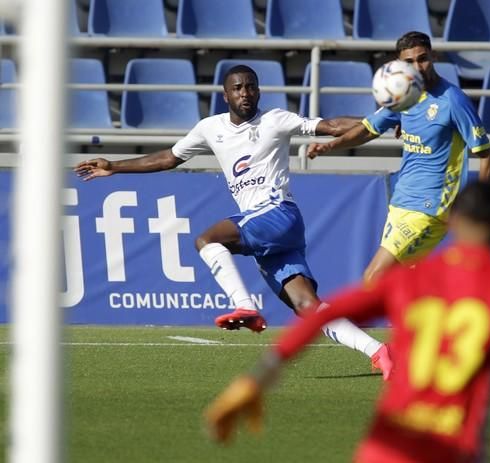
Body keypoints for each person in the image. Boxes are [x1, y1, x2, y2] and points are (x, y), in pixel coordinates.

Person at [205, 182, 490, 463]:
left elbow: (322, 315)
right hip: (452, 447)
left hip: (386, 446)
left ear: (453, 222)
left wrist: (258, 380)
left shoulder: (412, 280)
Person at [74, 64, 393, 377]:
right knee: (307, 306)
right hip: (273, 233)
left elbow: (332, 124)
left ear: (258, 91)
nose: (246, 92)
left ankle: (246, 307)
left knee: (206, 240)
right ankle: (379, 352)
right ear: (225, 95)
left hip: (278, 213)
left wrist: (384, 118)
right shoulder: (210, 128)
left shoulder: (275, 120)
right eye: (238, 87)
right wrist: (114, 166)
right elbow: (168, 158)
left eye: (251, 86)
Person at [307, 31, 490, 283]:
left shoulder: (452, 100)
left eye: (423, 59)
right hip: (401, 202)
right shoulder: (404, 95)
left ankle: (340, 324)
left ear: (434, 56)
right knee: (399, 284)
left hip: (430, 206)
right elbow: (367, 129)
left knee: (373, 278)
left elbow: (487, 155)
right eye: (409, 62)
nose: (417, 66)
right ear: (399, 64)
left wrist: (479, 206)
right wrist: (331, 146)